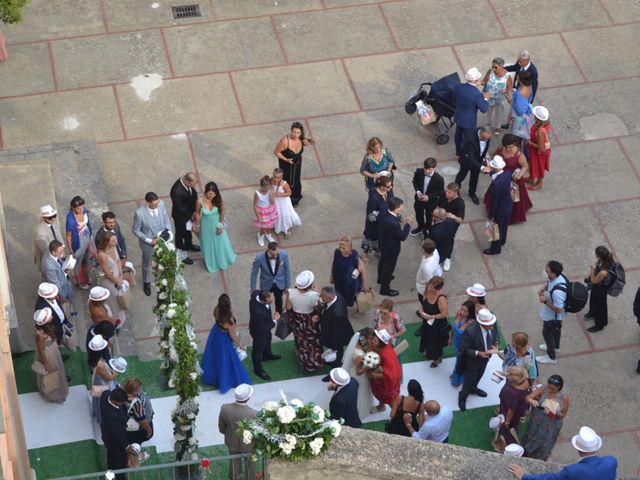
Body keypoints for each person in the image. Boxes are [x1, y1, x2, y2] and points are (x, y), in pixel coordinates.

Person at [510, 427, 617, 480]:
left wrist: (525, 476)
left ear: (579, 449)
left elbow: (550, 478)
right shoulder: (611, 461)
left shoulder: (572, 470)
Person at [201, 294, 252, 393]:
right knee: (226, 360)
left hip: (216, 333)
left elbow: (215, 317)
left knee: (215, 357)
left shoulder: (216, 310)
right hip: (224, 340)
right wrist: (240, 344)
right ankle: (227, 380)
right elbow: (232, 335)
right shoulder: (230, 320)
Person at [484, 133, 532, 224]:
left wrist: (519, 175)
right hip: (500, 176)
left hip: (513, 179)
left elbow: (525, 166)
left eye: (511, 147)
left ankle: (511, 216)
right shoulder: (500, 149)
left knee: (512, 199)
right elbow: (495, 157)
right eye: (506, 147)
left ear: (515, 144)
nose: (508, 149)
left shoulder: (519, 154)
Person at [458, 308, 500, 411]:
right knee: (469, 379)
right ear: (482, 323)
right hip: (473, 361)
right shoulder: (470, 331)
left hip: (485, 359)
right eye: (489, 324)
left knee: (479, 375)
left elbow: (496, 335)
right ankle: (462, 397)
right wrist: (477, 353)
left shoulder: (492, 325)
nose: (492, 326)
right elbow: (463, 349)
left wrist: (496, 343)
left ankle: (473, 388)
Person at [132, 192, 172, 296]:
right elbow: (136, 230)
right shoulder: (139, 213)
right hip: (148, 244)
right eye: (154, 204)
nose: (157, 205)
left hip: (163, 239)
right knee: (147, 263)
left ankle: (166, 278)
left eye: (157, 203)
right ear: (148, 202)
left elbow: (166, 218)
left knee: (165, 258)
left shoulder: (161, 204)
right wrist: (150, 241)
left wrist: (168, 231)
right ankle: (146, 282)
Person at [521, 375, 570, 460]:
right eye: (549, 387)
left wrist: (553, 411)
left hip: (551, 424)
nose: (550, 390)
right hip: (537, 420)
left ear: (559, 387)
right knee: (530, 438)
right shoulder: (544, 388)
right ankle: (524, 455)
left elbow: (563, 415)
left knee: (544, 444)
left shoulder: (564, 397)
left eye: (553, 389)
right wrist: (532, 400)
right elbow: (528, 397)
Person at [193, 181, 236, 273]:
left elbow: (222, 212)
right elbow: (197, 213)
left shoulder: (218, 200)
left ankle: (222, 261)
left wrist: (220, 226)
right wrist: (197, 225)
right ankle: (212, 263)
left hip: (217, 224)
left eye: (213, 194)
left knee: (220, 243)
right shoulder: (199, 201)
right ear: (206, 192)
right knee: (208, 245)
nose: (211, 196)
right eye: (209, 194)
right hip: (205, 227)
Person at [285, 270, 324, 372]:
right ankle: (315, 362)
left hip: (297, 319)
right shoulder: (314, 295)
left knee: (300, 338)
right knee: (312, 340)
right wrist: (318, 293)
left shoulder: (290, 292)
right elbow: (319, 307)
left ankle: (301, 356)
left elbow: (288, 308)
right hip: (309, 320)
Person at [218, 384, 258, 480]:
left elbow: (221, 427)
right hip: (249, 445)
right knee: (250, 466)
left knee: (234, 465)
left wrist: (229, 434)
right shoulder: (254, 414)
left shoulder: (225, 408)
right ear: (249, 397)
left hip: (232, 442)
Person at [273, 122, 314, 207]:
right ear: (291, 131)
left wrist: (307, 142)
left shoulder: (302, 140)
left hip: (297, 164)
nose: (295, 134)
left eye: (298, 133)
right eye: (294, 132)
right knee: (287, 181)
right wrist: (286, 159)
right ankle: (287, 199)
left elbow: (304, 144)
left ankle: (295, 198)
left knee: (296, 180)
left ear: (301, 133)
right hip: (286, 165)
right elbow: (276, 152)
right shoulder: (285, 141)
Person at [378, 197, 413, 296]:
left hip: (383, 243)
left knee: (382, 261)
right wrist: (408, 224)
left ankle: (380, 278)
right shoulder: (393, 223)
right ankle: (385, 288)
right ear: (396, 209)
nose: (403, 208)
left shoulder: (385, 212)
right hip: (391, 248)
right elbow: (402, 237)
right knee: (388, 268)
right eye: (401, 207)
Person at [33, 308, 69, 403]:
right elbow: (41, 351)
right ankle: (53, 395)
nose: (52, 317)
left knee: (56, 371)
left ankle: (57, 390)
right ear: (45, 322)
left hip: (53, 350)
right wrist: (46, 363)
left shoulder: (47, 328)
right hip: (48, 355)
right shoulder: (40, 335)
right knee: (51, 374)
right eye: (49, 317)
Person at [453, 67, 491, 156]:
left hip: (458, 117)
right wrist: (486, 98)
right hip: (469, 122)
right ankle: (465, 154)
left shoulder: (458, 87)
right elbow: (484, 109)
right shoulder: (477, 94)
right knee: (468, 138)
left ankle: (458, 151)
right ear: (476, 80)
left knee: (458, 135)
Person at [318, 286, 354, 375]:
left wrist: (333, 347)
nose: (320, 296)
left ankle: (335, 370)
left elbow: (337, 334)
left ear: (329, 297)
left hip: (337, 335)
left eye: (322, 295)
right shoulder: (336, 294)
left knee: (337, 352)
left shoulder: (337, 314)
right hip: (336, 328)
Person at [341, 327, 375, 420]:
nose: (372, 340)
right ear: (366, 338)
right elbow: (358, 371)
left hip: (357, 373)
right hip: (359, 377)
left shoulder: (361, 344)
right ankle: (358, 411)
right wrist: (369, 366)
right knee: (360, 393)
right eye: (371, 338)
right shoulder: (359, 355)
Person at [537, 260, 567, 365]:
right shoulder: (558, 278)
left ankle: (551, 357)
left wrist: (544, 300)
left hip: (553, 317)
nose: (545, 271)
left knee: (547, 334)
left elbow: (559, 309)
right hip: (553, 316)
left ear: (553, 273)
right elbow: (549, 283)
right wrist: (543, 289)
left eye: (547, 270)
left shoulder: (558, 293)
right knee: (556, 331)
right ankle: (556, 346)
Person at [250, 241, 291, 315]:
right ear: (268, 250)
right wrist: (253, 289)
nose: (275, 256)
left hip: (280, 283)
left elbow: (287, 270)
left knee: (279, 300)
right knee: (265, 302)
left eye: (277, 254)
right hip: (266, 283)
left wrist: (287, 286)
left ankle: (278, 315)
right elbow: (254, 274)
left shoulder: (284, 254)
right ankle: (266, 316)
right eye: (272, 254)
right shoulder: (259, 257)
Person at [483, 155, 513, 255]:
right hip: (507, 206)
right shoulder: (508, 174)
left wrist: (490, 215)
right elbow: (496, 174)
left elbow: (494, 202)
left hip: (499, 210)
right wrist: (490, 172)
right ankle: (502, 241)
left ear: (494, 167)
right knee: (504, 226)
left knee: (496, 229)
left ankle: (495, 249)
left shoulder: (496, 185)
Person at [455, 126, 492, 205]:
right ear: (481, 133)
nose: (486, 140)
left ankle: (472, 193)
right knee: (461, 175)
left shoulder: (487, 136)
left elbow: (484, 149)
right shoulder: (470, 139)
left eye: (487, 139)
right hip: (467, 160)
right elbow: (470, 159)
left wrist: (484, 159)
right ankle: (456, 191)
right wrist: (482, 167)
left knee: (475, 177)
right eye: (484, 138)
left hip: (478, 159)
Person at [100, 387, 132, 480]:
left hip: (106, 435)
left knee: (111, 456)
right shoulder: (114, 416)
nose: (123, 404)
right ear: (116, 402)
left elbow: (106, 391)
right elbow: (118, 434)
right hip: (115, 442)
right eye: (121, 402)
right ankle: (119, 477)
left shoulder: (105, 394)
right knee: (120, 462)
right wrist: (127, 446)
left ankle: (109, 474)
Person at [367, 329, 402, 414]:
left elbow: (391, 375)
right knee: (380, 394)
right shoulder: (381, 347)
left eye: (375, 341)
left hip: (388, 383)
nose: (372, 342)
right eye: (373, 339)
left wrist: (374, 375)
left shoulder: (386, 355)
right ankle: (381, 406)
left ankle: (396, 414)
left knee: (390, 399)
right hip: (381, 379)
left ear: (381, 343)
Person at [89, 334, 122, 423]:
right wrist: (116, 373)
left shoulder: (92, 357)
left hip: (99, 381)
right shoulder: (100, 365)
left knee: (99, 399)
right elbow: (109, 378)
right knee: (105, 401)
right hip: (104, 384)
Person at [249, 290, 280, 381]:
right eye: (270, 299)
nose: (272, 300)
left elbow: (255, 293)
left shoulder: (256, 294)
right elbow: (262, 329)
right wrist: (275, 321)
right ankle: (258, 370)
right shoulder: (259, 313)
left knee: (268, 339)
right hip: (259, 331)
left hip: (263, 324)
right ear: (264, 300)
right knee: (257, 351)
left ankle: (267, 355)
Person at [418, 276, 449, 368]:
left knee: (436, 341)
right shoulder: (427, 291)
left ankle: (438, 357)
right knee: (427, 337)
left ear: (438, 289)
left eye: (432, 288)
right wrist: (421, 311)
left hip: (437, 325)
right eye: (429, 286)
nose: (430, 289)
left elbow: (444, 314)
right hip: (427, 322)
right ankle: (428, 350)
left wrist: (432, 316)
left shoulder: (441, 299)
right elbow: (422, 303)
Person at [97, 232, 127, 325]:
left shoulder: (114, 247)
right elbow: (107, 272)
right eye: (113, 240)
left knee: (121, 297)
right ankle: (115, 320)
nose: (116, 242)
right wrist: (117, 281)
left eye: (115, 239)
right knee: (114, 300)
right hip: (110, 281)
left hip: (118, 276)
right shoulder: (102, 254)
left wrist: (121, 275)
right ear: (107, 242)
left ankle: (121, 316)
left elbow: (118, 261)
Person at [35, 282, 74, 355]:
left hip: (61, 323)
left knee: (60, 338)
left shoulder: (54, 297)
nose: (56, 295)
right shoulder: (41, 307)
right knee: (56, 343)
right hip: (54, 329)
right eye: (53, 295)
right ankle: (57, 352)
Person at [169, 172, 199, 265]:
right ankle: (181, 254)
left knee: (187, 231)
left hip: (188, 213)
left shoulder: (188, 185)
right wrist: (192, 215)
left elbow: (193, 195)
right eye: (194, 183)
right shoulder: (176, 191)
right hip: (180, 216)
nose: (195, 185)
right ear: (187, 181)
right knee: (180, 235)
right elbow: (181, 207)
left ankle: (188, 245)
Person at [361, 175, 394, 258]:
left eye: (391, 185)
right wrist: (385, 214)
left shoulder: (389, 191)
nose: (391, 187)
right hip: (374, 224)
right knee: (371, 237)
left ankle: (378, 251)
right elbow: (371, 215)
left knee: (382, 238)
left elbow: (392, 203)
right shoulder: (373, 197)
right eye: (388, 186)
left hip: (384, 223)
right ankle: (365, 254)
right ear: (381, 186)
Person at [410, 157, 444, 237]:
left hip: (431, 202)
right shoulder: (419, 172)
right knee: (418, 214)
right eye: (426, 169)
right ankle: (420, 227)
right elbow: (415, 181)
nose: (427, 171)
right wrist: (418, 191)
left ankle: (427, 231)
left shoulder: (439, 178)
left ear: (434, 168)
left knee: (429, 217)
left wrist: (429, 197)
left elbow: (440, 191)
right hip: (419, 199)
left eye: (430, 169)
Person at [330, 236, 367, 309]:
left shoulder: (354, 256)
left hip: (350, 284)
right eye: (340, 247)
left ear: (349, 247)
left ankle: (359, 308)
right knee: (340, 296)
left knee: (354, 296)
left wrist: (364, 283)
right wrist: (331, 275)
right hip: (339, 282)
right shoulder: (337, 252)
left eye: (344, 248)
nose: (341, 250)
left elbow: (362, 269)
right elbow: (334, 263)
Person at [583, 245, 614, 333]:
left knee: (600, 306)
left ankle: (600, 325)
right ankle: (592, 312)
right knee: (593, 300)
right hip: (597, 285)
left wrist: (592, 269)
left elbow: (594, 281)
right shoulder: (605, 258)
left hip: (601, 288)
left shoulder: (604, 272)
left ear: (600, 256)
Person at [65, 196, 93, 290]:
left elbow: (87, 223)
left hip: (87, 235)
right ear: (73, 208)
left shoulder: (84, 211)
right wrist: (71, 250)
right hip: (78, 241)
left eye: (82, 207)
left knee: (87, 257)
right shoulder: (71, 220)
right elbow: (68, 236)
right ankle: (78, 280)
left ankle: (86, 275)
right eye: (78, 208)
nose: (81, 210)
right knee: (78, 262)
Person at [497, 366, 530, 445]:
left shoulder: (512, 392)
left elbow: (511, 410)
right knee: (514, 422)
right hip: (520, 406)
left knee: (510, 427)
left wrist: (507, 422)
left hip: (510, 411)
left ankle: (507, 442)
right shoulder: (525, 381)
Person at [438, 182, 466, 271]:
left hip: (451, 225)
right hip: (440, 220)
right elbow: (438, 206)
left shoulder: (460, 203)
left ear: (456, 193)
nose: (446, 193)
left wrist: (453, 216)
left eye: (449, 193)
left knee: (449, 240)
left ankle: (447, 258)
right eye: (447, 191)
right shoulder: (443, 195)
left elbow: (460, 220)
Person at [481, 57, 513, 134]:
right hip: (489, 97)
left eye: (496, 67)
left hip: (500, 99)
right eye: (492, 66)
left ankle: (497, 127)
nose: (494, 69)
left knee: (498, 114)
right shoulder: (490, 71)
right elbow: (484, 81)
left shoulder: (507, 76)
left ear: (502, 67)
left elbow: (510, 88)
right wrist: (478, 82)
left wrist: (506, 90)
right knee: (488, 112)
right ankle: (488, 124)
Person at [41, 240, 74, 305]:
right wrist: (63, 297)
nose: (62, 254)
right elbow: (55, 284)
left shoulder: (49, 250)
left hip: (63, 277)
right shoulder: (50, 267)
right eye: (60, 252)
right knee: (69, 299)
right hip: (63, 286)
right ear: (53, 252)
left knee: (71, 296)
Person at [123, 378, 154, 448]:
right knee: (136, 444)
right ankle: (135, 454)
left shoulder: (123, 395)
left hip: (126, 426)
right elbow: (142, 421)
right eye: (139, 388)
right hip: (136, 430)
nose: (140, 389)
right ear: (134, 391)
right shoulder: (136, 404)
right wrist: (149, 431)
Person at [450, 301, 475, 387]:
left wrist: (459, 319)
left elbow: (459, 331)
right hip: (457, 342)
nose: (462, 312)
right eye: (462, 309)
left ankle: (457, 380)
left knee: (460, 362)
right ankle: (457, 376)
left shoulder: (470, 321)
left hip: (463, 345)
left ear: (470, 312)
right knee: (459, 360)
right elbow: (454, 327)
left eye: (465, 311)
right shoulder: (460, 316)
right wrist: (451, 338)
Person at [526, 106, 551, 191]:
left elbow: (540, 147)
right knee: (533, 165)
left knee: (539, 167)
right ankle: (531, 178)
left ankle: (539, 183)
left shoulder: (540, 131)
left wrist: (530, 142)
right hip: (538, 151)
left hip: (538, 153)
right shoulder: (545, 124)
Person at [271, 167, 301, 238]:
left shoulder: (284, 184)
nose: (276, 179)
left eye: (278, 178)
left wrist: (280, 194)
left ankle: (287, 230)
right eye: (274, 177)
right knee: (276, 214)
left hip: (283, 202)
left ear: (282, 177)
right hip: (275, 201)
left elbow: (289, 193)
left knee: (285, 216)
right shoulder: (271, 181)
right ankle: (276, 225)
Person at [507, 71, 533, 146]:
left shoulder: (519, 94)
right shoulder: (530, 86)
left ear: (521, 80)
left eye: (518, 77)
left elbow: (519, 111)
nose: (517, 78)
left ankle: (515, 145)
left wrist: (509, 99)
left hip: (519, 117)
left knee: (515, 133)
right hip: (526, 110)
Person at [253, 175, 278, 247]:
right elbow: (254, 205)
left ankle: (268, 235)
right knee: (263, 228)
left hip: (270, 211)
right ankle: (260, 236)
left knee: (269, 226)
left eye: (268, 187)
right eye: (264, 188)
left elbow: (272, 202)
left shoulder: (270, 191)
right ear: (261, 186)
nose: (266, 189)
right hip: (262, 213)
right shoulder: (257, 193)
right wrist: (258, 217)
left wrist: (272, 194)